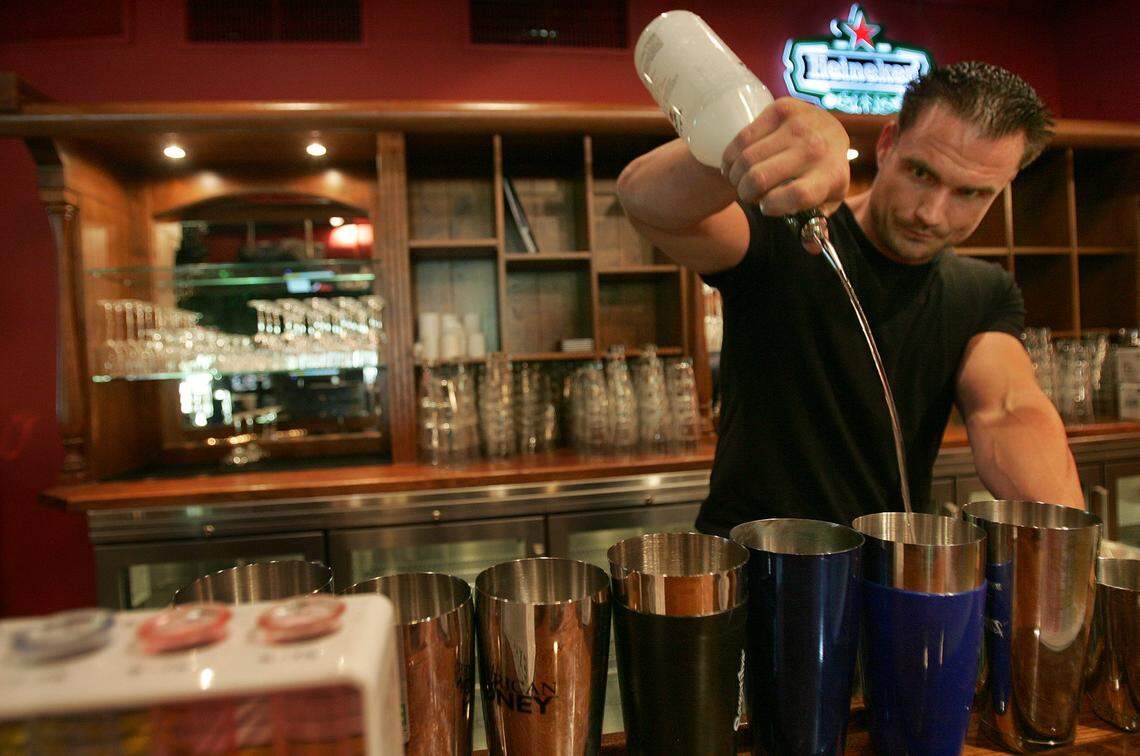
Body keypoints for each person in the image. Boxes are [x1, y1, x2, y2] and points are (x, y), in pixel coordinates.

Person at [616, 61, 1085, 537]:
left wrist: (1068, 544)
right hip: (751, 567)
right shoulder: (790, 228)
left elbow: (1008, 409)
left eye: (970, 193)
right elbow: (647, 202)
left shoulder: (981, 290)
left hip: (887, 571)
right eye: (921, 172)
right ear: (887, 144)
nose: (931, 212)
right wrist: (756, 147)